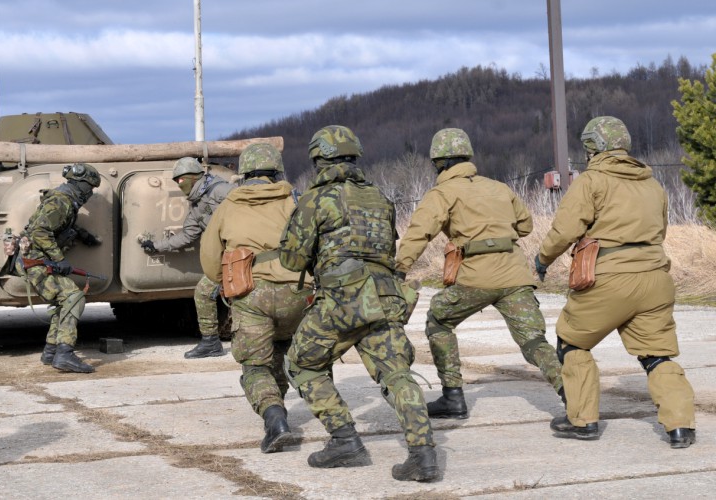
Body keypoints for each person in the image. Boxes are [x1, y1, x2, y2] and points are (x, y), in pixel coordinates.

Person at [280, 125, 438, 482]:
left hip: (341, 301)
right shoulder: (380, 197)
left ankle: (345, 439)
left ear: (319, 159)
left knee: (302, 364)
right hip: (384, 299)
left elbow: (292, 261)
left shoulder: (316, 200)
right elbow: (387, 251)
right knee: (397, 374)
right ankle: (423, 454)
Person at [535, 116, 696, 448]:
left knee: (572, 342)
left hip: (607, 280)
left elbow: (565, 230)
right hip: (655, 279)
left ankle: (582, 421)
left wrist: (542, 260)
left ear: (592, 147)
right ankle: (680, 426)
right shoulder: (653, 184)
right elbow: (660, 233)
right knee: (657, 355)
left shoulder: (592, 181)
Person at [396, 128, 564, 419]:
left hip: (475, 276)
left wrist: (398, 269)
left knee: (439, 319)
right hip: (515, 274)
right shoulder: (499, 187)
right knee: (534, 341)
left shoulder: (443, 193)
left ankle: (453, 397)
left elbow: (418, 234)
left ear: (438, 162)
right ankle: (574, 396)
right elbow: (525, 226)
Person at [200, 143, 311, 453]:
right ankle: (324, 409)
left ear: (243, 173)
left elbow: (209, 259)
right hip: (297, 291)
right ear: (277, 171)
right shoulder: (296, 200)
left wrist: (225, 282)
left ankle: (275, 418)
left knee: (255, 365)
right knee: (285, 349)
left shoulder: (228, 205)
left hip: (250, 293)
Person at [139, 157, 235, 359]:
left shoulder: (221, 191)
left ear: (193, 177)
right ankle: (211, 342)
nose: (179, 185)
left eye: (180, 180)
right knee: (203, 292)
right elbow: (187, 236)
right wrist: (156, 246)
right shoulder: (196, 205)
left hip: (243, 254)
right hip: (226, 258)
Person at [21, 163, 102, 373]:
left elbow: (59, 224)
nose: (90, 193)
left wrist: (83, 235)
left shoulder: (66, 200)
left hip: (40, 260)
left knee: (64, 300)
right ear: (81, 184)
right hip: (37, 262)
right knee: (73, 297)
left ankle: (51, 351)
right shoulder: (61, 201)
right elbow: (40, 231)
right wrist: (59, 259)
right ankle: (64, 354)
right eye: (90, 188)